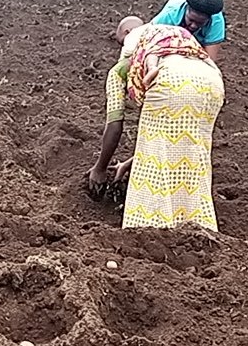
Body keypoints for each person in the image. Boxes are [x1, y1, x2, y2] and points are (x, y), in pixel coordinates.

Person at [88, 20, 225, 230]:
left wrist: (100, 168)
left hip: (168, 81)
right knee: (193, 153)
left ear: (127, 34)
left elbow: (115, 127)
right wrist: (128, 163)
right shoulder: (173, 37)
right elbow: (171, 138)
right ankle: (195, 227)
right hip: (212, 81)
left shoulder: (122, 66)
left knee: (152, 166)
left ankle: (147, 229)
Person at [134, 0, 227, 61]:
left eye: (200, 23)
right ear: (186, 9)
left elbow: (209, 59)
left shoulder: (216, 21)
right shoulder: (170, 15)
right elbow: (147, 41)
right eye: (191, 20)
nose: (194, 26)